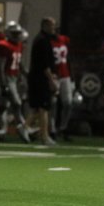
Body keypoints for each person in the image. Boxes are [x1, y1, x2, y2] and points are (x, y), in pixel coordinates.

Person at [0, 21, 30, 143]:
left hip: (14, 77)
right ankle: (22, 128)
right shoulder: (3, 45)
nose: (17, 35)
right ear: (9, 33)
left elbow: (19, 63)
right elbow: (0, 67)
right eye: (14, 33)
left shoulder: (19, 45)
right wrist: (3, 83)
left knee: (3, 106)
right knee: (17, 103)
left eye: (18, 33)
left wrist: (26, 74)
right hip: (7, 77)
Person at [27, 17, 58, 145]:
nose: (54, 29)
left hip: (37, 77)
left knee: (37, 108)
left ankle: (25, 126)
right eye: (52, 26)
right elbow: (44, 64)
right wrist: (51, 80)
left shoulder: (41, 39)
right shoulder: (42, 41)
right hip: (41, 78)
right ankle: (44, 136)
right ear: (45, 26)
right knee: (44, 107)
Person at [50, 31, 74, 141]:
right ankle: (52, 129)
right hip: (54, 75)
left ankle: (63, 128)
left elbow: (68, 58)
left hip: (65, 75)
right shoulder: (48, 42)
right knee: (53, 103)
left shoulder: (64, 39)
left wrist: (72, 75)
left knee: (68, 102)